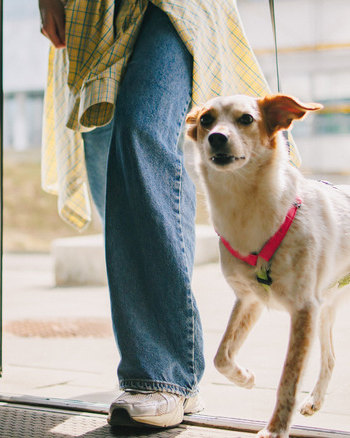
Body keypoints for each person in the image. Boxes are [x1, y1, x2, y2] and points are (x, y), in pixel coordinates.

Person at [38, 0, 299, 429]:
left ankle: (164, 375)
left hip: (176, 4)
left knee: (140, 130)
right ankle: (172, 343)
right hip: (91, 8)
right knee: (108, 156)